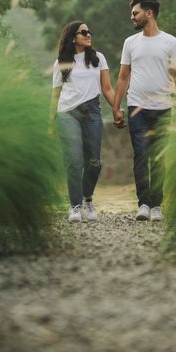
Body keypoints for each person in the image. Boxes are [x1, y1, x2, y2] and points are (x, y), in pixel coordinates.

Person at [112, 0, 176, 222]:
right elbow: (123, 77)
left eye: (135, 12)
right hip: (136, 109)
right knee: (141, 155)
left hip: (163, 108)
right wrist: (116, 107)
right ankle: (143, 204)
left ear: (149, 13)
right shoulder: (130, 42)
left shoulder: (170, 42)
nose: (132, 16)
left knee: (158, 158)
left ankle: (156, 205)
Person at [50, 21, 120, 223]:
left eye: (89, 31)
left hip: (92, 112)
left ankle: (87, 198)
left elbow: (107, 88)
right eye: (83, 32)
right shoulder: (61, 62)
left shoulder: (98, 59)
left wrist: (116, 108)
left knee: (94, 162)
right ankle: (75, 206)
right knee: (73, 162)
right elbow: (55, 95)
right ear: (73, 37)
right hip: (67, 114)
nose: (88, 34)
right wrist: (51, 123)